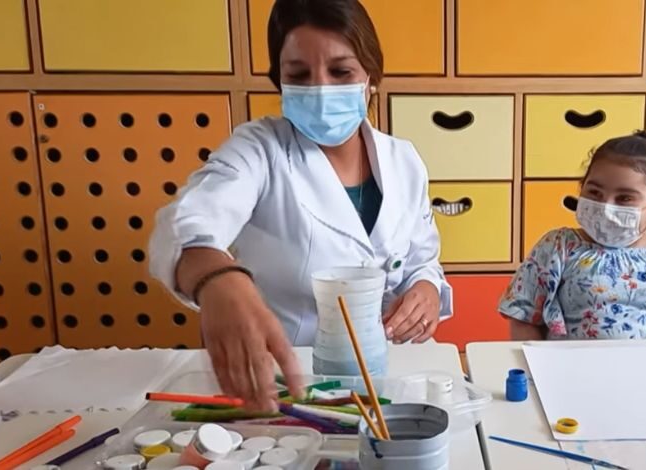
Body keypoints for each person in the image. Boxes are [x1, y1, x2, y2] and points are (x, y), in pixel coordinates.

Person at [148, 0, 452, 411]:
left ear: (371, 77)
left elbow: (421, 259)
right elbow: (185, 223)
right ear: (280, 83)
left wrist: (426, 289)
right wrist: (219, 280)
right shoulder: (260, 150)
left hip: (389, 376)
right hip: (290, 384)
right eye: (299, 75)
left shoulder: (403, 161)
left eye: (341, 71)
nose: (321, 89)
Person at [500, 130, 646, 340]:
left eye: (625, 198)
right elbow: (523, 317)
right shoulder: (559, 247)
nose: (605, 206)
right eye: (595, 192)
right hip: (573, 370)